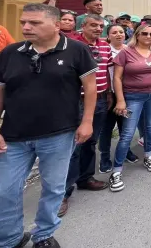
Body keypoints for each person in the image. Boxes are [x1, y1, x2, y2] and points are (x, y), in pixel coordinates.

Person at [0, 4, 98, 248]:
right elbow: (0, 92)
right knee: (4, 190)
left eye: (34, 22)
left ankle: (43, 235)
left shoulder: (76, 50)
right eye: (24, 22)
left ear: (55, 25)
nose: (26, 27)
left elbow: (91, 87)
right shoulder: (11, 53)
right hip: (14, 135)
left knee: (53, 188)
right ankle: (10, 238)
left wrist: (87, 122)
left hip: (58, 134)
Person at [61, 15, 113, 217]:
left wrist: (108, 93)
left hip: (100, 98)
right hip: (78, 100)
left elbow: (106, 71)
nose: (98, 28)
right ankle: (63, 193)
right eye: (93, 25)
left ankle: (85, 178)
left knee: (91, 141)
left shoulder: (105, 46)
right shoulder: (72, 45)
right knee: (74, 145)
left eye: (101, 26)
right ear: (83, 26)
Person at [110, 23, 151, 192]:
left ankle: (148, 156)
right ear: (137, 34)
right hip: (132, 97)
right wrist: (120, 100)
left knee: (150, 128)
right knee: (128, 133)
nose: (149, 37)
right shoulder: (125, 53)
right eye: (145, 33)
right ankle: (116, 171)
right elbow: (117, 78)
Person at [98, 24, 137, 175]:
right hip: (109, 95)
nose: (119, 34)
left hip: (128, 94)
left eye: (121, 32)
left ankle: (126, 152)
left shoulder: (130, 50)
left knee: (125, 127)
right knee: (107, 129)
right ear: (108, 36)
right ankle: (105, 158)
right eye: (114, 32)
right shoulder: (105, 50)